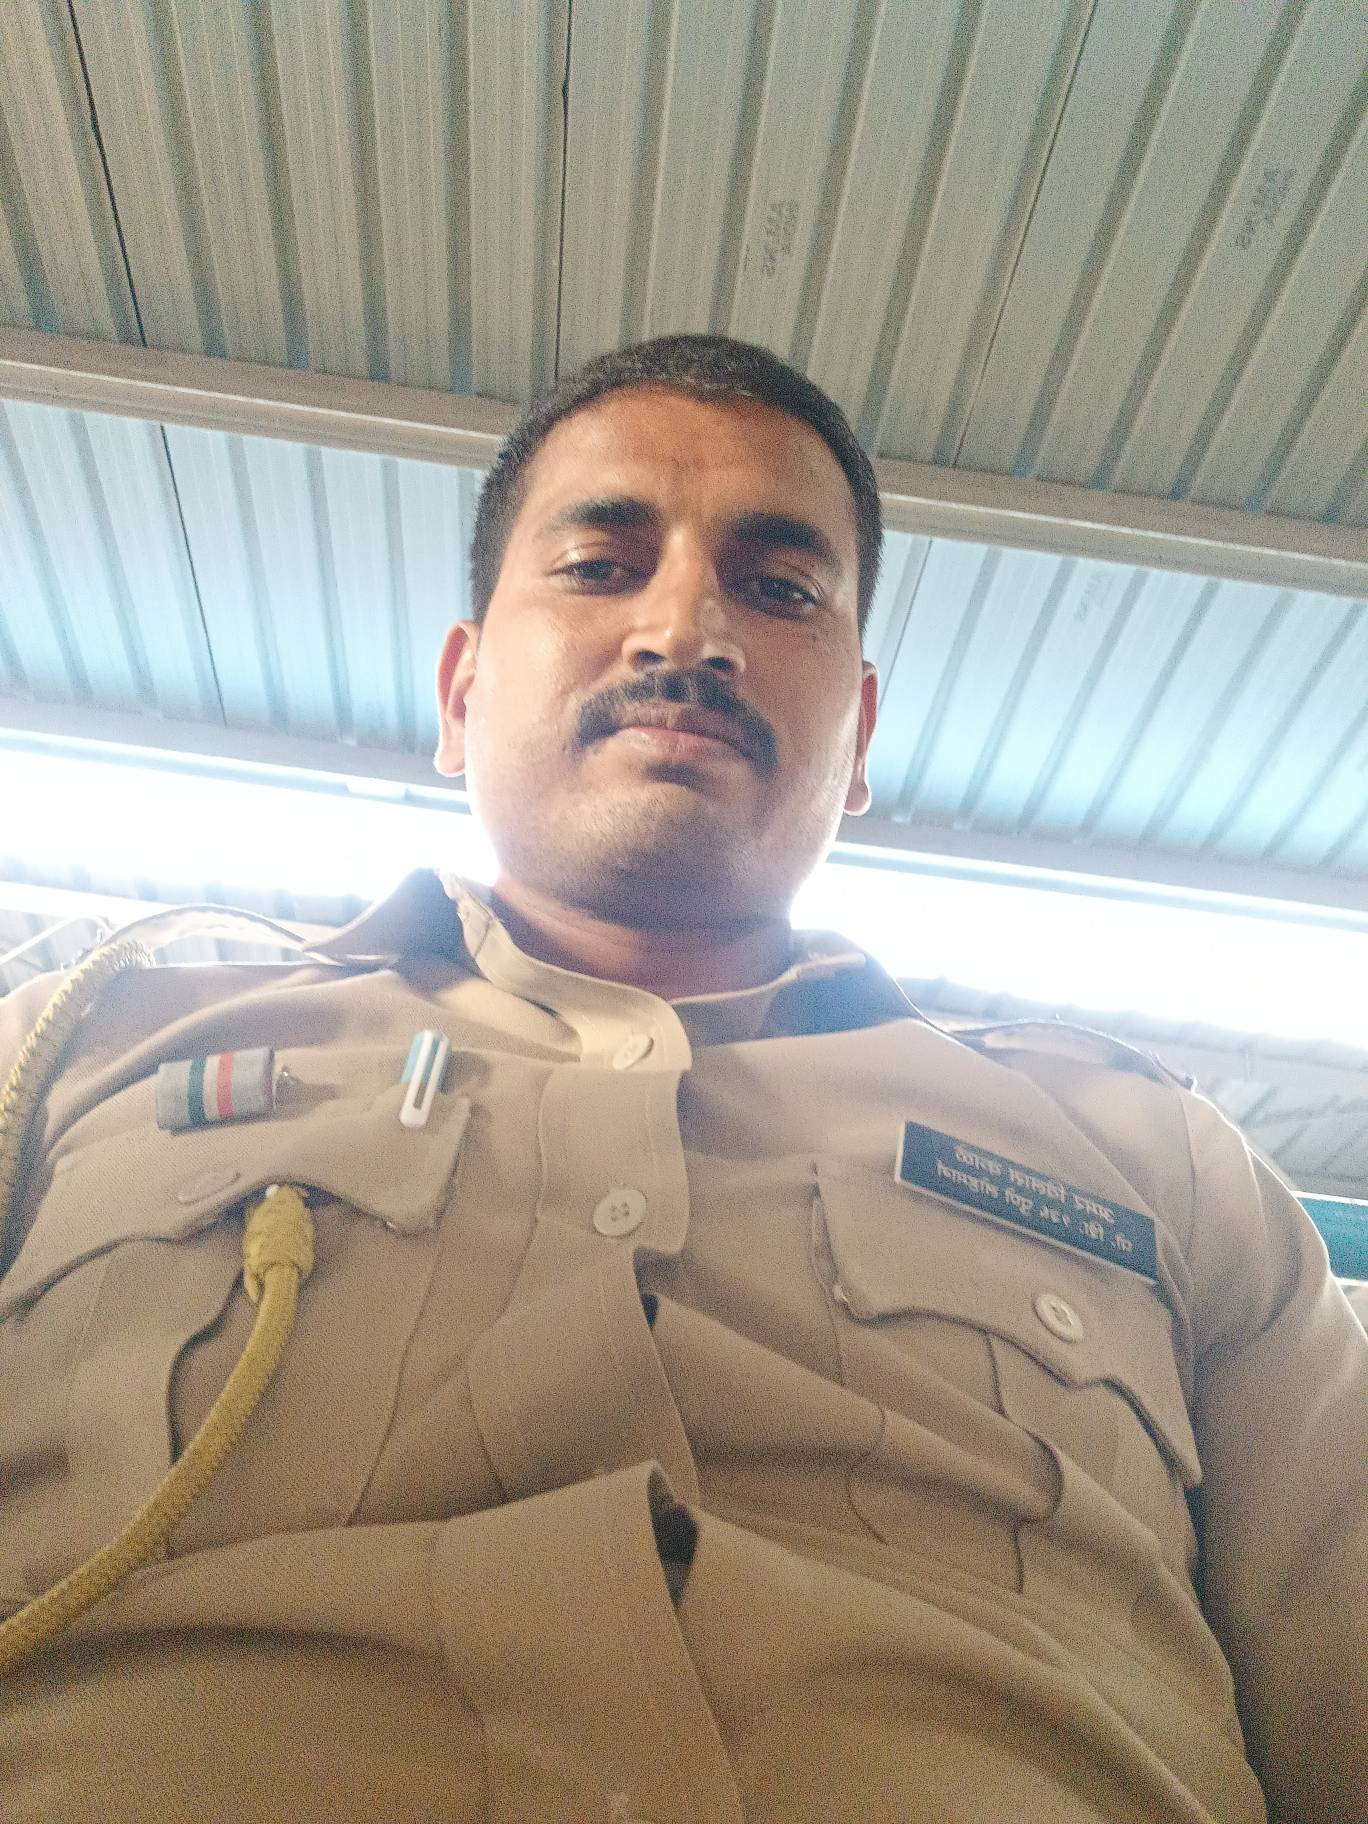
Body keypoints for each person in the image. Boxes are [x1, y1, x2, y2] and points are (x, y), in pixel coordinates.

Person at [0, 334, 1364, 1823]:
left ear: (860, 735)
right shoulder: (72, 1054)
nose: (688, 628)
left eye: (780, 589)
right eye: (600, 566)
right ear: (461, 690)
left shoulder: (1155, 1159)